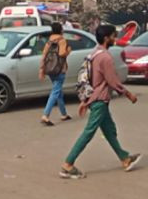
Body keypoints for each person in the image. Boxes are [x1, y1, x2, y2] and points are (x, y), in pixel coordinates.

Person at [59, 24, 141, 179]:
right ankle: (67, 164)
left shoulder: (95, 53)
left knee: (109, 130)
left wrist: (85, 100)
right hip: (100, 99)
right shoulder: (105, 57)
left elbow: (89, 77)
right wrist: (128, 94)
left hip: (95, 98)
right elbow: (112, 80)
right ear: (106, 38)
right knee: (88, 132)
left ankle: (125, 158)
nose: (114, 39)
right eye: (112, 36)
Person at [39, 25, 71, 126]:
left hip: (50, 69)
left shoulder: (49, 41)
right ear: (61, 30)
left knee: (58, 92)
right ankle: (46, 115)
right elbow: (61, 53)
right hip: (59, 69)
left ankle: (64, 114)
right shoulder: (62, 40)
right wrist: (68, 51)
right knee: (55, 92)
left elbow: (44, 55)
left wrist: (42, 69)